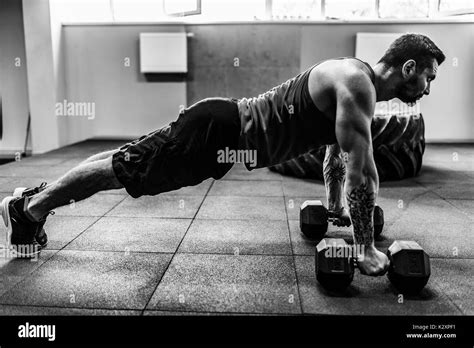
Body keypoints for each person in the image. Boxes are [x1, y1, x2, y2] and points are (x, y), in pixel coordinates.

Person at [1, 33, 444, 276]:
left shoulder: (352, 78)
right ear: (408, 67)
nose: (427, 88)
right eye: (429, 77)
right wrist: (364, 249)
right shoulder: (358, 85)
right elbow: (361, 173)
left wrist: (333, 210)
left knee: (122, 160)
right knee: (121, 171)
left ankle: (31, 205)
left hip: (217, 125)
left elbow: (335, 156)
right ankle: (29, 209)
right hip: (217, 135)